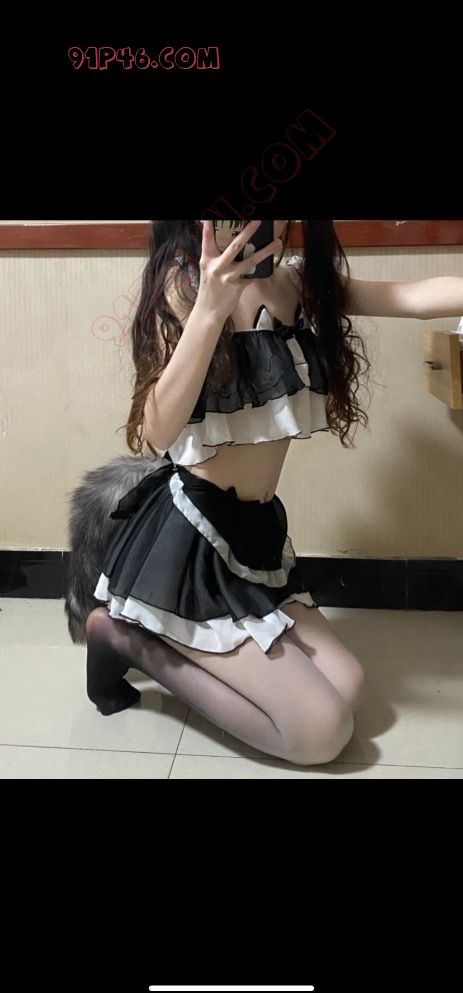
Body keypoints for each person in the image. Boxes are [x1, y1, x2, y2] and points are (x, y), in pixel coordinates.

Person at [85, 219, 463, 767]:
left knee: (349, 686)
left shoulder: (295, 283)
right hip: (193, 538)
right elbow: (158, 433)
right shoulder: (183, 285)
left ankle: (175, 640)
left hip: (257, 536)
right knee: (321, 733)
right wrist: (211, 308)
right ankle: (125, 638)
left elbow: (414, 296)